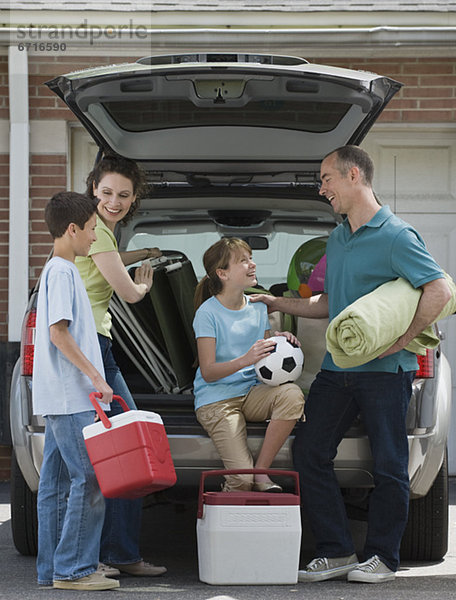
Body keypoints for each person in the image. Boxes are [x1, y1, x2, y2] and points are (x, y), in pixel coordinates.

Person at [251, 146, 451, 583]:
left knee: (389, 465)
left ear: (354, 175)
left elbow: (438, 290)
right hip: (338, 370)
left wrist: (399, 341)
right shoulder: (338, 237)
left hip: (386, 373)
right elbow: (329, 303)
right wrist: (274, 301)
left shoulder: (397, 235)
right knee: (309, 451)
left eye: (326, 179)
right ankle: (337, 549)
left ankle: (382, 557)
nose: (322, 189)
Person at [75, 155, 166, 577]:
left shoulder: (94, 230)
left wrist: (142, 250)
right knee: (130, 445)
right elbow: (129, 294)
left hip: (92, 344)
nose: (114, 201)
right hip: (92, 346)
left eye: (124, 195)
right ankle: (115, 554)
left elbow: (107, 256)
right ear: (94, 186)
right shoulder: (100, 234)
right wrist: (145, 281)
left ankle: (110, 552)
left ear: (134, 198)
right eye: (108, 192)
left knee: (107, 450)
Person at [33, 191, 119, 591]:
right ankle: (74, 570)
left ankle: (53, 569)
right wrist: (98, 379)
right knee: (90, 478)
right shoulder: (64, 272)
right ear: (72, 229)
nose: (93, 239)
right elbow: (58, 333)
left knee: (56, 484)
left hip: (58, 397)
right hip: (72, 396)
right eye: (90, 231)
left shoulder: (55, 269)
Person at [193, 237, 305, 492]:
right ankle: (229, 521)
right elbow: (209, 372)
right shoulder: (207, 314)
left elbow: (263, 353)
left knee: (292, 395)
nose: (252, 265)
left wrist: (279, 341)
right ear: (223, 273)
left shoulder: (257, 307)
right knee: (240, 480)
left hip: (252, 392)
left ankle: (262, 472)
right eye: (243, 261)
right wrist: (246, 359)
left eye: (250, 258)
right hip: (217, 400)